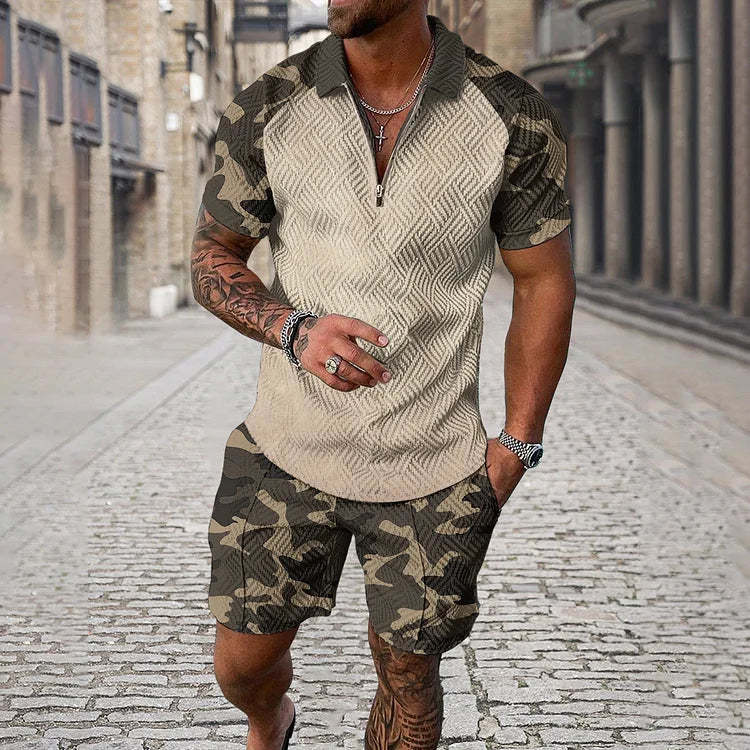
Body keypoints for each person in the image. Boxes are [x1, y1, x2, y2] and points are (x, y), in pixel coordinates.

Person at [191, 1, 575, 747]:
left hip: (435, 464)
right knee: (242, 666)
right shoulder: (268, 105)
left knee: (409, 675)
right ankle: (270, 718)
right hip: (285, 448)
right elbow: (214, 255)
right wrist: (292, 328)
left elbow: (543, 280)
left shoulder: (514, 114)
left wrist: (517, 443)